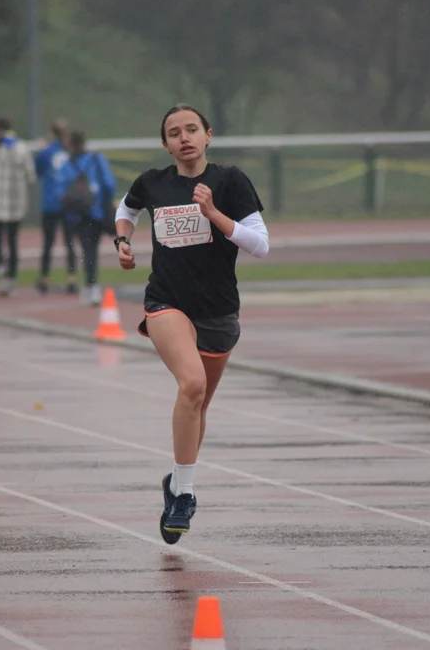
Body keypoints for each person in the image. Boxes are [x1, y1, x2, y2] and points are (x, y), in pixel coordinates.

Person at [112, 104, 269, 541]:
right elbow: (126, 210)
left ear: (208, 135)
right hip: (166, 303)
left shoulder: (230, 181)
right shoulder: (152, 182)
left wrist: (215, 214)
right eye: (174, 132)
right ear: (166, 144)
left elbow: (261, 245)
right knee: (192, 386)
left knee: (198, 405)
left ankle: (174, 483)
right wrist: (123, 240)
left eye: (192, 129)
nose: (184, 137)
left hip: (218, 309)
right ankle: (186, 495)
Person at [0, 117, 36, 297]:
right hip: (10, 203)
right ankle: (9, 276)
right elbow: (31, 175)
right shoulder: (20, 148)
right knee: (10, 242)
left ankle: (3, 272)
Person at [58, 130, 116, 306]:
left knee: (86, 249)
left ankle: (90, 285)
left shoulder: (66, 164)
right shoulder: (97, 160)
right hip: (97, 212)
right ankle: (93, 286)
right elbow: (109, 184)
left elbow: (61, 190)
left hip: (78, 214)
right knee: (93, 249)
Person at [34, 119, 78, 295]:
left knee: (47, 242)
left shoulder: (46, 153)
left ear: (51, 133)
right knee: (70, 242)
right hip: (68, 202)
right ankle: (71, 278)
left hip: (50, 202)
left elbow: (37, 171)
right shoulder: (71, 151)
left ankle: (44, 278)